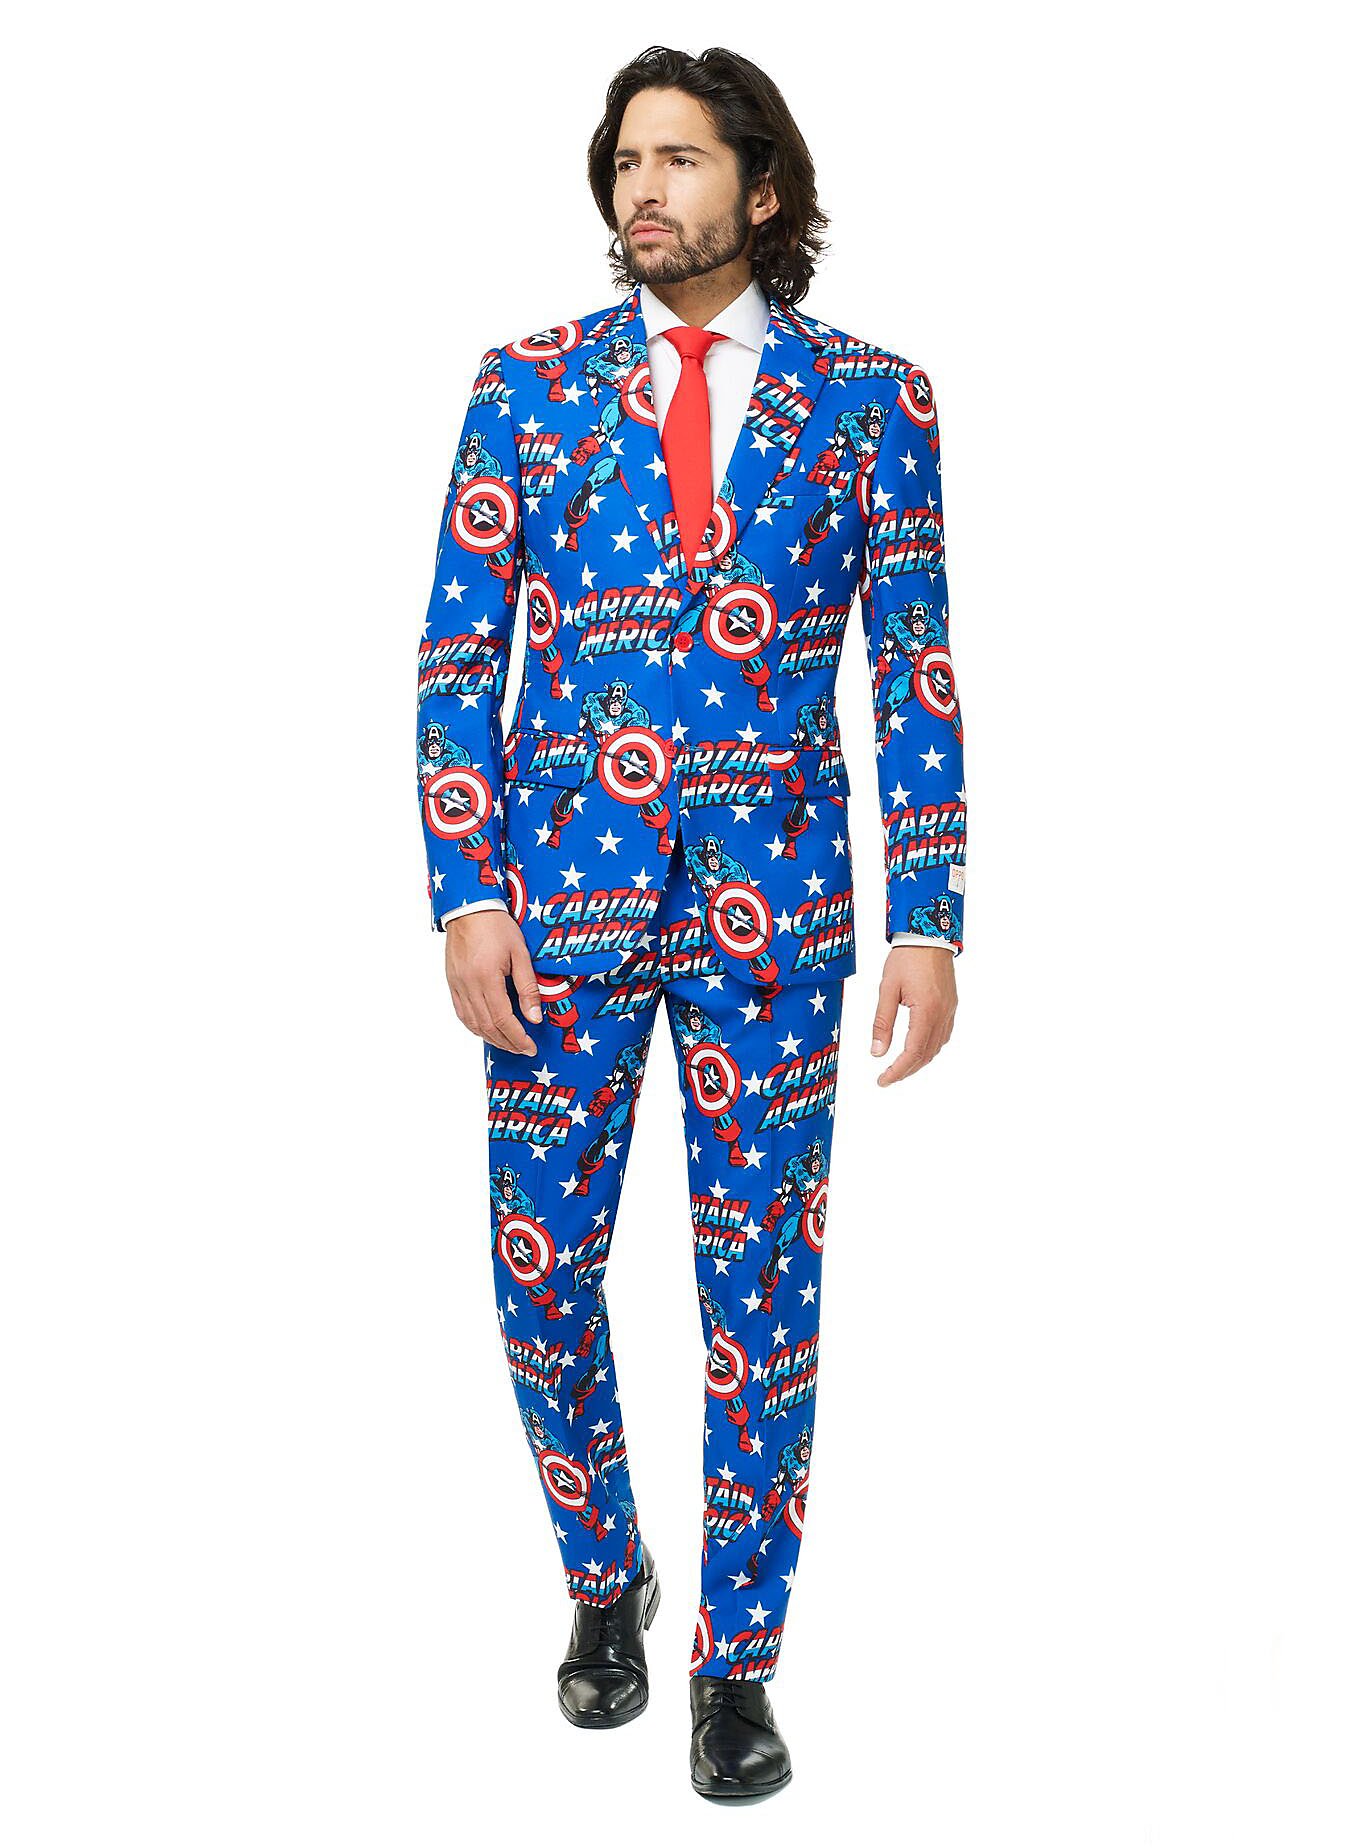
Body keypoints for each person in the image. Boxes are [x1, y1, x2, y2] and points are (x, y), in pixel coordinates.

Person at [415, 44, 965, 1801]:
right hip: (555, 913)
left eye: (679, 159)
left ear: (762, 189)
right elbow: (455, 659)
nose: (641, 188)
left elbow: (915, 670)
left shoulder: (875, 401)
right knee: (538, 1269)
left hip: (775, 918)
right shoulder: (526, 386)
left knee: (762, 1292)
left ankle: (738, 1662)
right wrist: (467, 892)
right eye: (625, 161)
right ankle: (606, 1576)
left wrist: (931, 915)